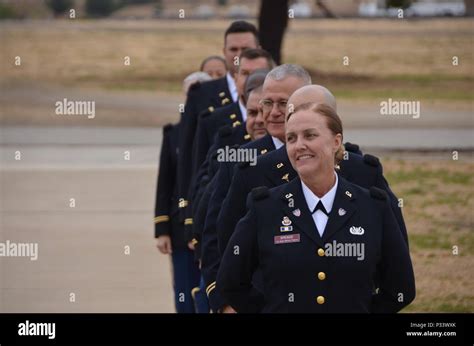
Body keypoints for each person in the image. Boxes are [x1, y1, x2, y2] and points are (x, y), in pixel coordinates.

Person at [217, 102, 416, 313]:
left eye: (310, 135)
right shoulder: (266, 207)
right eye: (291, 138)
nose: (299, 145)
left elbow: (400, 288)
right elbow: (231, 283)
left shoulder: (372, 206)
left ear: (336, 141)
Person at [177, 21, 260, 225]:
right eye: (233, 49)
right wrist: (190, 215)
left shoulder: (279, 92)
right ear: (224, 51)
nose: (239, 54)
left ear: (258, 49)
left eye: (246, 49)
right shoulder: (201, 94)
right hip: (217, 203)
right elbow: (190, 156)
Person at [154, 123, 201, 313]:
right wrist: (162, 228)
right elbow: (164, 183)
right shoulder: (173, 134)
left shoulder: (218, 126)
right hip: (180, 229)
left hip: (208, 227)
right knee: (184, 296)